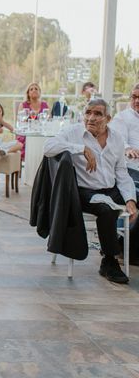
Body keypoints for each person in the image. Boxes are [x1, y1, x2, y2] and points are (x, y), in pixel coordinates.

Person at [43, 98, 138, 284]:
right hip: (84, 192)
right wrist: (81, 148)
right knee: (106, 209)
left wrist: (130, 200)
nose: (91, 118)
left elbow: (122, 174)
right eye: (88, 112)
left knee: (134, 196)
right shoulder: (74, 133)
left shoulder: (117, 139)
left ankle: (132, 250)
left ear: (108, 118)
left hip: (111, 189)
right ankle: (109, 261)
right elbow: (48, 147)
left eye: (98, 114)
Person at [110, 83, 139, 264]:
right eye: (133, 97)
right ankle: (125, 249)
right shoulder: (123, 118)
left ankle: (126, 247)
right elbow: (119, 140)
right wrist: (128, 149)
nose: (136, 101)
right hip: (131, 169)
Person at [16, 82, 49, 159]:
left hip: (41, 134)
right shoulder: (23, 105)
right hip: (27, 135)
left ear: (39, 92)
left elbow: (48, 120)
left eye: (36, 89)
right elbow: (20, 122)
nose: (34, 90)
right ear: (28, 93)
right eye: (31, 89)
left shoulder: (45, 105)